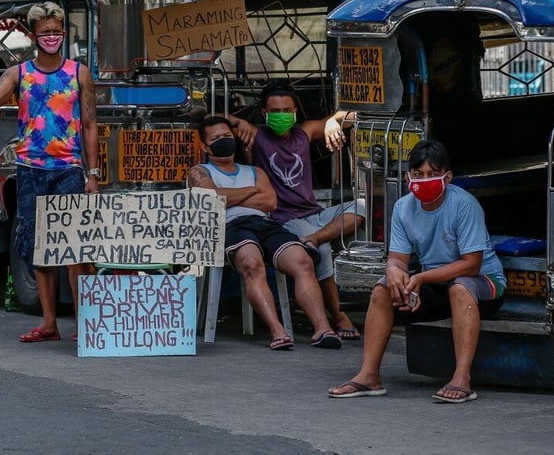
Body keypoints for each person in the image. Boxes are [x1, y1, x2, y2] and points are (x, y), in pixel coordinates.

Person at [327, 139, 505, 403]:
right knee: (382, 289)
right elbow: (397, 259)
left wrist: (419, 278)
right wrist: (394, 272)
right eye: (418, 174)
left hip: (483, 283)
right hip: (434, 281)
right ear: (408, 176)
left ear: (448, 177)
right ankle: (368, 376)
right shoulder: (403, 207)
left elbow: (471, 264)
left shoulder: (464, 205)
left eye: (432, 175)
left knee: (459, 287)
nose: (424, 180)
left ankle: (462, 378)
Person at [0, 1, 97, 344]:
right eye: (45, 32)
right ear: (34, 36)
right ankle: (49, 322)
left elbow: (90, 125)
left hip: (68, 168)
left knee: (74, 248)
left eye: (56, 31)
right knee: (38, 247)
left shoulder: (79, 72)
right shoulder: (18, 73)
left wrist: (93, 174)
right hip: (30, 169)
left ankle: (84, 323)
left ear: (63, 33)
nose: (51, 37)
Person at [187, 115, 342, 351]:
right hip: (231, 227)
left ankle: (322, 329)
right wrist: (250, 191)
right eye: (216, 138)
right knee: (252, 263)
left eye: (227, 136)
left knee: (303, 262)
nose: (224, 141)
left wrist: (229, 196)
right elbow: (211, 199)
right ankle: (277, 330)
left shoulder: (255, 170)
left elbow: (270, 202)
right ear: (204, 146)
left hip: (265, 225)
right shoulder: (200, 171)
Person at [229, 82, 363, 340]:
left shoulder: (304, 132)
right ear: (265, 113)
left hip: (314, 213)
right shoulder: (258, 136)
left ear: (295, 111)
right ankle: (338, 315)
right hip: (285, 218)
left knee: (361, 208)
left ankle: (316, 237)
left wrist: (334, 121)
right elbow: (207, 117)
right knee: (322, 250)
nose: (282, 115)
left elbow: (352, 116)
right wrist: (238, 121)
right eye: (275, 111)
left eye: (287, 110)